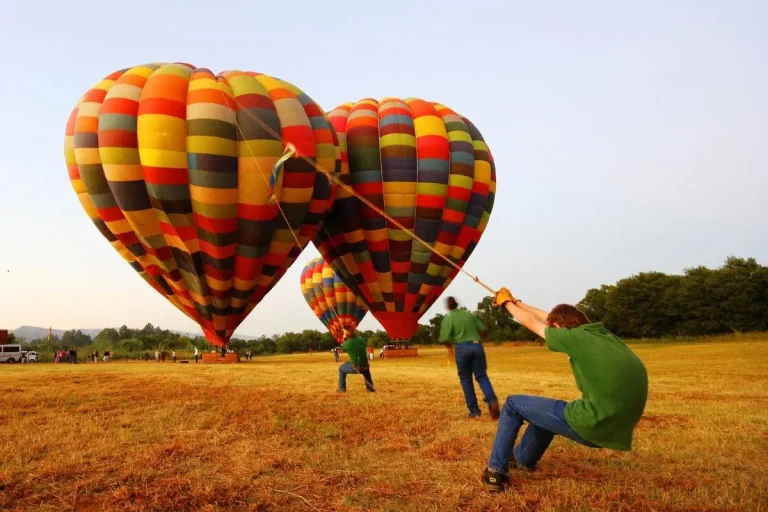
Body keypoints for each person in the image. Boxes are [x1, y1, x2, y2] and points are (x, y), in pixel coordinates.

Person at [481, 288, 649, 493]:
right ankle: (524, 459)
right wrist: (517, 301)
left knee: (513, 404)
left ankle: (495, 472)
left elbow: (532, 323)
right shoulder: (602, 335)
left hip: (595, 423)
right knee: (546, 412)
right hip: (617, 428)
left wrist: (506, 304)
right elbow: (547, 318)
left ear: (560, 327)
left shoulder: (574, 338)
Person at [439, 297, 499, 419]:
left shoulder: (448, 318)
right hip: (477, 344)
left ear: (448, 306)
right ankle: (492, 400)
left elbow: (444, 338)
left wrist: (450, 347)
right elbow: (483, 330)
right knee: (481, 376)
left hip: (461, 347)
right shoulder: (468, 315)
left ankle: (474, 411)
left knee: (466, 379)